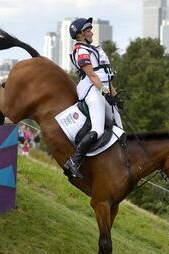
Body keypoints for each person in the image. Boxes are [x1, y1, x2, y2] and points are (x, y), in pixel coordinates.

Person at [64, 17, 123, 178]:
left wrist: (115, 97)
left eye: (90, 29)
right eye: (88, 29)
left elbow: (105, 77)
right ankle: (74, 161)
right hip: (92, 91)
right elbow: (91, 75)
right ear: (80, 34)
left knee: (120, 129)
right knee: (97, 129)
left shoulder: (96, 49)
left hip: (102, 90)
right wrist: (105, 94)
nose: (91, 32)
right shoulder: (81, 51)